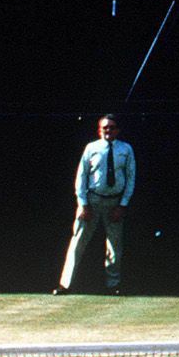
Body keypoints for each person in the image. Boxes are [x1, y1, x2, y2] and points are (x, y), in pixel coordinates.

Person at [54, 114, 135, 295]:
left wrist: (122, 205)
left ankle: (113, 285)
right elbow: (81, 177)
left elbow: (130, 178)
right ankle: (65, 284)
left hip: (114, 202)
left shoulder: (126, 149)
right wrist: (83, 204)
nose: (109, 130)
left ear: (118, 130)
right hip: (93, 200)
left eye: (112, 127)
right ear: (100, 130)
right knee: (78, 242)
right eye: (105, 127)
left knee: (114, 245)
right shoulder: (91, 148)